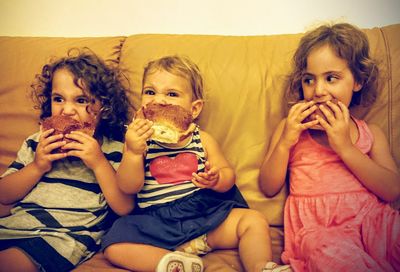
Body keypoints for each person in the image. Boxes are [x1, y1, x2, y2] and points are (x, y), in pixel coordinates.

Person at [102, 55, 291, 272]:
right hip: (158, 224)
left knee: (254, 220)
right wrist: (134, 152)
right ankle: (170, 263)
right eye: (150, 92)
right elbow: (128, 186)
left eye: (172, 94)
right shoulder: (138, 141)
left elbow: (227, 174)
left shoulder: (203, 139)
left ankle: (261, 267)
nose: (160, 100)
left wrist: (217, 178)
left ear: (194, 109)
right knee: (113, 244)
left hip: (206, 216)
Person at [259, 23, 400, 272]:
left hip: (373, 224)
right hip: (319, 232)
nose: (319, 91)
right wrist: (285, 143)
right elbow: (268, 187)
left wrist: (345, 146)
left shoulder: (370, 132)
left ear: (357, 81)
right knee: (323, 250)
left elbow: (391, 190)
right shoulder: (289, 128)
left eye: (331, 78)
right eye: (309, 80)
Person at [0, 48, 135, 272]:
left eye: (81, 100)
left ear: (104, 107)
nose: (67, 110)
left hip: (64, 238)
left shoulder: (115, 151)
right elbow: (4, 195)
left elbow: (125, 207)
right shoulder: (38, 143)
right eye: (58, 99)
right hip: (14, 226)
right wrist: (37, 166)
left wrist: (99, 163)